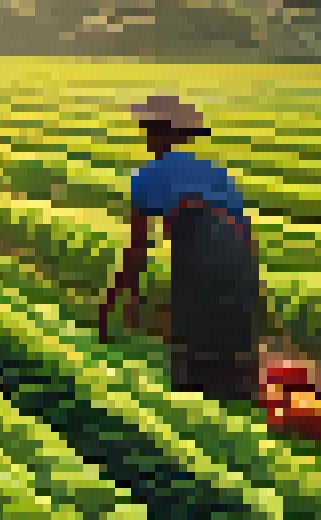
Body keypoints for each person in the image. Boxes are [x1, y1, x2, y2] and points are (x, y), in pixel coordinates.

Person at [97, 94, 263, 406]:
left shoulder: (146, 175)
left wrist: (113, 300)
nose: (146, 134)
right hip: (241, 253)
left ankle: (199, 417)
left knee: (193, 356)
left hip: (202, 252)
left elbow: (138, 248)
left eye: (150, 128)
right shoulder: (215, 171)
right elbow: (242, 227)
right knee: (234, 345)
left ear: (160, 134)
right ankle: (241, 402)